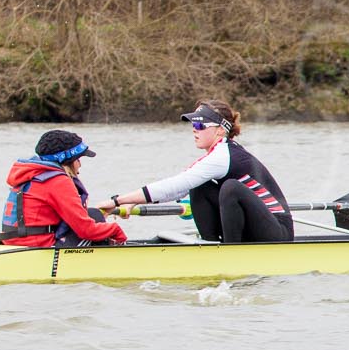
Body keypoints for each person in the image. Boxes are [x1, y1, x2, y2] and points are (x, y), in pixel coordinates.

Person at [93, 101, 294, 243]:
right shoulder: (218, 154)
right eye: (193, 124)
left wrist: (116, 201)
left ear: (220, 130)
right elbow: (178, 188)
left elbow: (174, 186)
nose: (194, 129)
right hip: (258, 224)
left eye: (199, 124)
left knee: (231, 188)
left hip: (278, 231)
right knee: (199, 187)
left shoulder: (223, 155)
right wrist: (131, 202)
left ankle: (231, 253)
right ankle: (210, 245)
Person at [0, 129, 128, 247]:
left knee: (93, 214)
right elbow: (85, 230)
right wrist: (116, 231)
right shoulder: (58, 181)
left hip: (13, 241)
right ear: (67, 161)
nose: (80, 164)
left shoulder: (32, 173)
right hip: (37, 244)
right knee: (96, 220)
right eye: (78, 159)